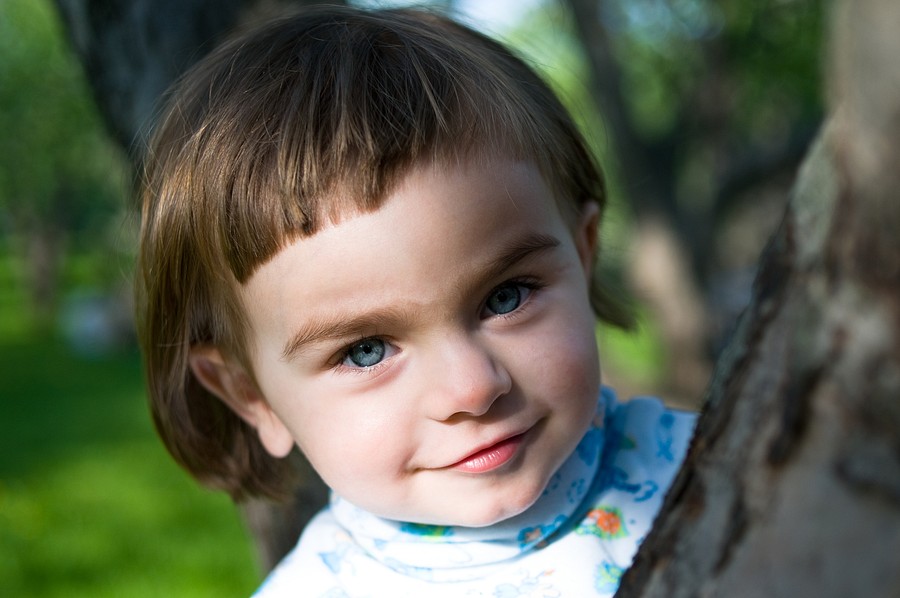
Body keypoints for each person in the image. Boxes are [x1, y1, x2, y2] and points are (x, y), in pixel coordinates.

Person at [136, 5, 696, 597]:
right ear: (252, 397)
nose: (473, 389)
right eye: (366, 351)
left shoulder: (716, 466)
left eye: (506, 298)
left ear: (583, 258)